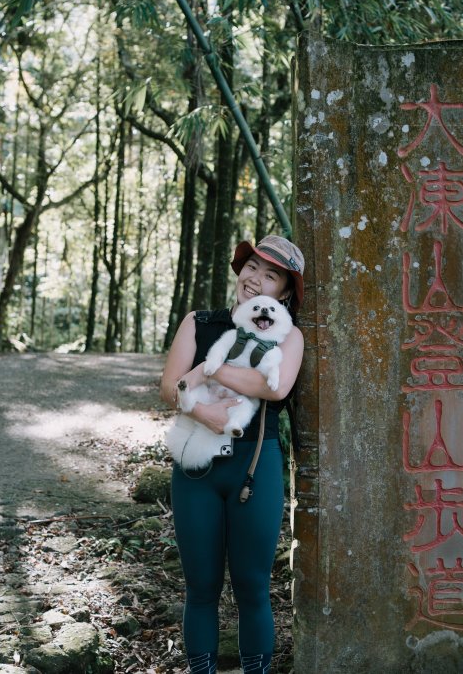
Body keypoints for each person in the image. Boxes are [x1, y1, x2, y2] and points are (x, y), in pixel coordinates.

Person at [160, 235, 305, 674]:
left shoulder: (289, 336)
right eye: (252, 268)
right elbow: (171, 386)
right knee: (200, 587)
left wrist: (211, 368)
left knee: (252, 586)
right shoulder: (199, 322)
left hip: (255, 467)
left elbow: (274, 387)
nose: (256, 279)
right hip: (196, 467)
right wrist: (204, 412)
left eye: (271, 275)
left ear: (284, 292)